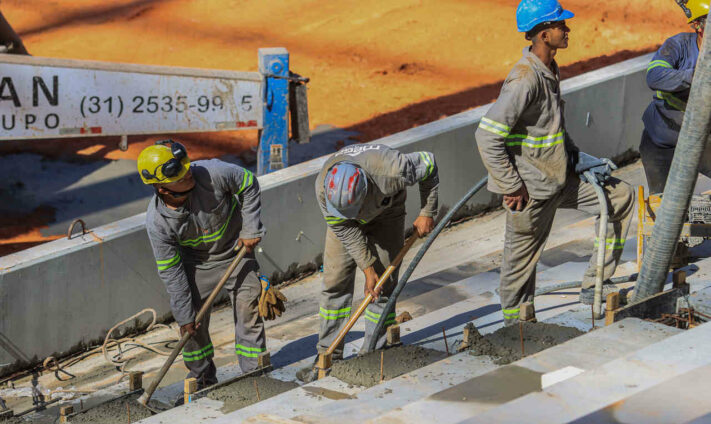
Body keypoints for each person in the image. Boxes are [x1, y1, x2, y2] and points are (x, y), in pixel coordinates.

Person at [474, 0, 634, 324]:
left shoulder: (550, 70)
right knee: (520, 266)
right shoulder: (524, 79)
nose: (568, 29)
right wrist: (511, 184)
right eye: (561, 25)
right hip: (530, 191)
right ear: (544, 35)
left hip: (559, 179)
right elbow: (486, 136)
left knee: (620, 197)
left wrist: (579, 159)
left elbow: (551, 128)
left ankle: (595, 284)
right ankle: (515, 329)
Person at [297, 143, 439, 382]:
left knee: (383, 283)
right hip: (344, 226)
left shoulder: (393, 170)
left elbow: (429, 162)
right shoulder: (324, 188)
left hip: (387, 213)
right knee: (335, 282)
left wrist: (427, 211)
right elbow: (344, 228)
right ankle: (327, 355)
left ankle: (373, 353)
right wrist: (366, 266)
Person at [140, 140, 267, 389]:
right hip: (196, 265)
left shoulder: (213, 173)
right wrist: (184, 313)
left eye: (186, 166)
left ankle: (255, 378)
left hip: (236, 253)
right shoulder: (158, 223)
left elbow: (249, 184)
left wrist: (251, 228)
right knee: (191, 328)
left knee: (248, 311)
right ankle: (202, 379)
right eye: (180, 174)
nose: (189, 172)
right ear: (161, 188)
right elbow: (171, 271)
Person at [640, 0, 709, 194]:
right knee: (664, 208)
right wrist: (696, 76)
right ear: (698, 26)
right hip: (662, 139)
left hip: (703, 141)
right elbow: (654, 76)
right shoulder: (678, 45)